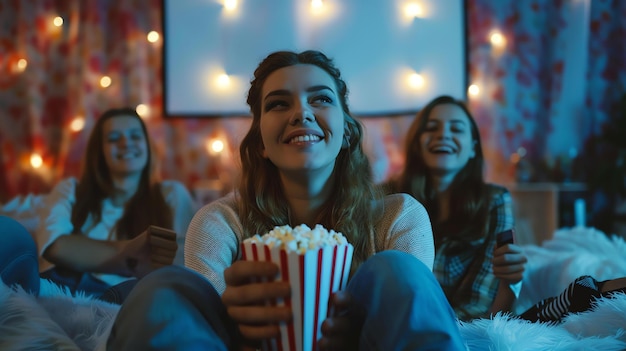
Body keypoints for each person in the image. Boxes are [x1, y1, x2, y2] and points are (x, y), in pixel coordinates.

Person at [106, 50, 465, 350]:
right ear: (260, 142)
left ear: (346, 133)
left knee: (396, 269)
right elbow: (200, 320)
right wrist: (234, 322)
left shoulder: (399, 216)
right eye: (278, 104)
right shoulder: (219, 222)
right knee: (162, 287)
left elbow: (410, 308)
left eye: (321, 98)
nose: (301, 113)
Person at [385, 95, 626, 323]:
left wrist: (509, 282)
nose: (443, 134)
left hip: (462, 326)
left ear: (472, 149)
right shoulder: (389, 199)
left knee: (573, 298)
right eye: (431, 127)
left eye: (456, 129)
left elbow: (485, 306)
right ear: (417, 143)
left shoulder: (494, 200)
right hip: (401, 323)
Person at [33, 107, 196, 297]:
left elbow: (186, 264)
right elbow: (53, 246)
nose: (126, 143)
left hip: (141, 299)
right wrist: (131, 253)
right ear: (99, 151)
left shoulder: (172, 194)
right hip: (73, 297)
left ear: (147, 146)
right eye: (113, 138)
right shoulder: (70, 191)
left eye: (135, 136)